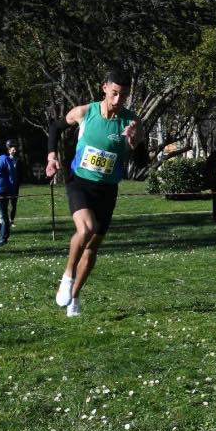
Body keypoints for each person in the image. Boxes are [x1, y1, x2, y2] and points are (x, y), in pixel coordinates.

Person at [47, 69, 141, 317]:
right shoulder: (85, 112)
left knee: (92, 248)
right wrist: (51, 157)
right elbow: (55, 128)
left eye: (123, 96)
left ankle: (74, 297)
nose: (118, 100)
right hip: (80, 181)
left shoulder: (131, 121)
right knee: (85, 229)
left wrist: (133, 142)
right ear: (105, 88)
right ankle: (67, 276)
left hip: (107, 189)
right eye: (114, 93)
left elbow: (142, 160)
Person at [5, 140, 23, 225]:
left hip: (15, 185)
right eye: (13, 149)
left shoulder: (18, 160)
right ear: (9, 150)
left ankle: (11, 220)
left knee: (13, 204)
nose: (15, 151)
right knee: (5, 203)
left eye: (15, 150)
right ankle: (5, 220)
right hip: (6, 185)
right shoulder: (5, 160)